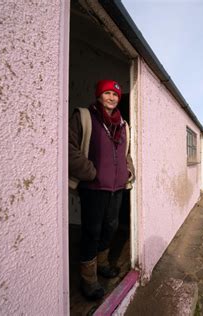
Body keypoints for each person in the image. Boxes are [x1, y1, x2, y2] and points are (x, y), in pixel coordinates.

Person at [69, 79, 135, 300]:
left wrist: (128, 171)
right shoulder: (85, 117)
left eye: (115, 94)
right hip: (93, 188)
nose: (112, 97)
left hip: (116, 188)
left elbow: (126, 154)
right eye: (107, 93)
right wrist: (90, 172)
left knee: (111, 227)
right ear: (99, 95)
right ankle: (88, 279)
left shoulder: (123, 124)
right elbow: (68, 147)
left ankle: (103, 263)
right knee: (92, 231)